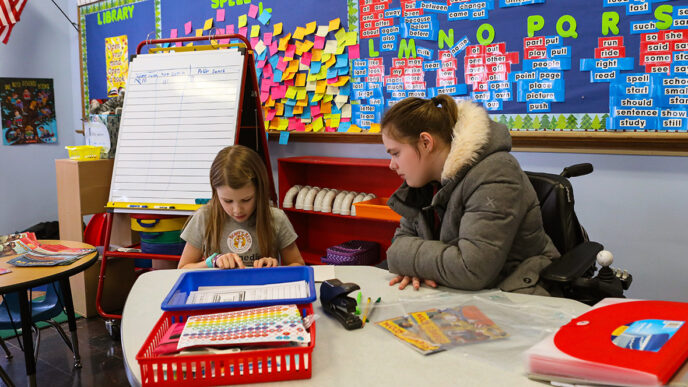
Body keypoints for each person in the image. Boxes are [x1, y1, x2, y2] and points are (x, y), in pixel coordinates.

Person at [381, 95, 559, 295]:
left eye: (395, 153)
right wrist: (416, 266)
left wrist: (410, 261)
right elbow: (400, 242)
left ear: (425, 142)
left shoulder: (496, 172)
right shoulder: (423, 181)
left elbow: (472, 269)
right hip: (456, 292)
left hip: (516, 290)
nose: (391, 164)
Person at [178, 145, 305, 269]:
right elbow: (182, 268)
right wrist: (212, 262)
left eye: (246, 200)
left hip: (261, 289)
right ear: (216, 193)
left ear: (259, 192)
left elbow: (298, 265)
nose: (237, 210)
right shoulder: (204, 217)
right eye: (227, 201)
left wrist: (274, 266)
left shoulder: (276, 218)